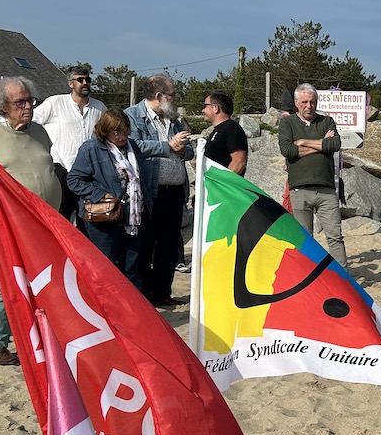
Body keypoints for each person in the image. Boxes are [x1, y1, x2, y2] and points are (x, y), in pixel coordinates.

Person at [0, 76, 60, 366]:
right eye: (21, 102)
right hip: (11, 226)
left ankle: (41, 336)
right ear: (3, 106)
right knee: (7, 283)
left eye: (30, 100)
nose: (28, 106)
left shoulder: (40, 133)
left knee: (45, 281)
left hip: (47, 223)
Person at [67, 109, 158, 291]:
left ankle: (132, 309)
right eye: (117, 132)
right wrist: (100, 194)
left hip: (133, 217)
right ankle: (106, 309)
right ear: (105, 130)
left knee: (132, 266)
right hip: (104, 220)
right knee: (106, 265)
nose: (122, 136)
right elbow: (73, 180)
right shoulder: (91, 149)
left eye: (125, 131)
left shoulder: (133, 147)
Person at [126, 75, 193, 307]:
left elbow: (190, 150)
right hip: (149, 192)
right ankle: (144, 296)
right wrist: (168, 146)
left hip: (174, 192)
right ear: (158, 96)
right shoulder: (133, 116)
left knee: (169, 246)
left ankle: (163, 292)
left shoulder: (173, 119)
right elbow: (132, 147)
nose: (175, 99)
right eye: (172, 95)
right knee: (145, 245)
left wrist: (183, 149)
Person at [278, 83, 347, 265]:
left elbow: (334, 145)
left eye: (312, 102)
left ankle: (344, 279)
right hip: (299, 189)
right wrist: (321, 144)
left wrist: (302, 142)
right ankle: (308, 279)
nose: (309, 106)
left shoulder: (326, 121)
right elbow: (287, 150)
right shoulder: (287, 123)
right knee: (305, 240)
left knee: (335, 236)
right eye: (304, 102)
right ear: (296, 103)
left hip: (326, 189)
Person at [33, 65, 106, 220]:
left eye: (88, 79)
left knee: (86, 218)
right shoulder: (55, 103)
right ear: (70, 83)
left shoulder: (99, 108)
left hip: (89, 173)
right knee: (60, 217)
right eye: (80, 79)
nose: (85, 82)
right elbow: (31, 123)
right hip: (61, 169)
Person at [201, 92, 247, 175]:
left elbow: (239, 161)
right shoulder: (218, 130)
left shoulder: (232, 128)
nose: (203, 110)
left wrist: (223, 183)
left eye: (205, 106)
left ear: (216, 108)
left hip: (222, 186)